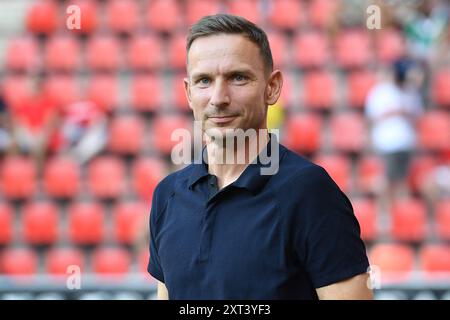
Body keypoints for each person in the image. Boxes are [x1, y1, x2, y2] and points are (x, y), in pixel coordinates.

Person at [148, 14, 373, 300]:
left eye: (237, 77)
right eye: (204, 80)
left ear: (272, 87)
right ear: (188, 93)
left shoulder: (309, 191)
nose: (218, 97)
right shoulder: (168, 195)